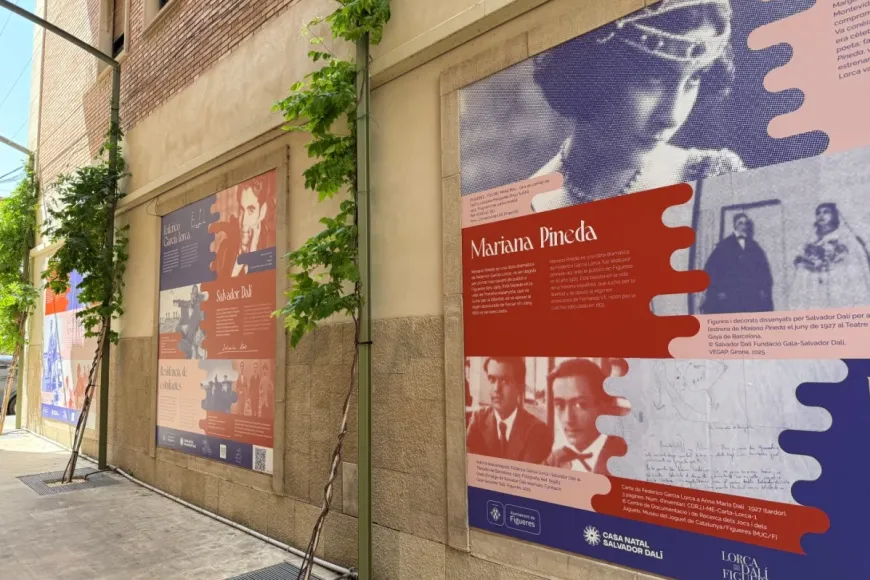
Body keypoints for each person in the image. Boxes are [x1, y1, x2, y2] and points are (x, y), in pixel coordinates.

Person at [530, 0, 743, 211]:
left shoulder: (719, 181)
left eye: (694, 78)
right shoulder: (525, 208)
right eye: (653, 79)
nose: (671, 116)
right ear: (591, 74)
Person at [466, 357, 553, 463]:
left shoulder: (537, 431)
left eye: (505, 381)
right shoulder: (478, 420)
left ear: (519, 387)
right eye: (492, 379)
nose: (496, 388)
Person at [544, 359, 623, 475]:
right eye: (559, 405)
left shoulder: (625, 460)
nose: (568, 419)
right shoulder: (556, 459)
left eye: (580, 405)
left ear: (603, 406)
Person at [788, 203, 870, 310]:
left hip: (837, 287)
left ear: (834, 216)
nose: (821, 215)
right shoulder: (811, 240)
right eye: (818, 213)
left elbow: (852, 260)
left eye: (826, 212)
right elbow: (802, 264)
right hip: (816, 288)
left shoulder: (844, 237)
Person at [701, 213, 774, 314]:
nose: (744, 226)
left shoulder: (754, 246)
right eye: (740, 223)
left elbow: (763, 269)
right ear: (735, 225)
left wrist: (762, 288)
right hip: (730, 296)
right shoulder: (724, 246)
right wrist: (718, 290)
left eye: (746, 223)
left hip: (750, 296)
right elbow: (711, 269)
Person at [213, 179, 275, 278]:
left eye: (251, 210)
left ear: (262, 212)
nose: (243, 222)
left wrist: (253, 250)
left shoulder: (270, 249)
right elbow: (220, 289)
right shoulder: (225, 249)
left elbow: (259, 288)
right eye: (242, 210)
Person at [174, 285, 204, 359]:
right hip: (185, 348)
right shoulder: (184, 312)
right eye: (192, 295)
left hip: (194, 348)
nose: (194, 298)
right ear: (190, 296)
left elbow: (200, 327)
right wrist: (182, 327)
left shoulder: (198, 313)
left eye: (196, 296)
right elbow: (176, 328)